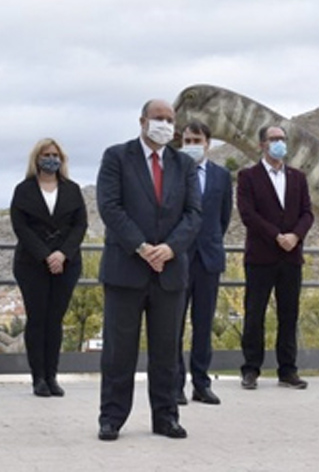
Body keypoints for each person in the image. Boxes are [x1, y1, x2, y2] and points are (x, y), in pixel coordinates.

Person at [96, 99, 202, 441]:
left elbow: (193, 214)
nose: (165, 124)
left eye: (170, 119)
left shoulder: (183, 164)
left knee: (167, 350)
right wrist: (141, 247)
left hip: (169, 272)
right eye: (159, 118)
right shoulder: (116, 156)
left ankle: (166, 416)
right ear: (142, 121)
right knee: (118, 350)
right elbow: (109, 207)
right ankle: (111, 418)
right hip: (126, 268)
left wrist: (170, 248)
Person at [237, 125, 313, 390]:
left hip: (291, 257)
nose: (278, 143)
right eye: (273, 139)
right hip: (261, 256)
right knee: (254, 314)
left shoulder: (297, 177)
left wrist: (295, 236)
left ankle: (287, 370)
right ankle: (250, 369)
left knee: (288, 314)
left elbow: (307, 213)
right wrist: (276, 235)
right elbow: (248, 214)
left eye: (281, 138)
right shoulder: (248, 176)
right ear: (262, 144)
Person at [10, 138, 88, 398]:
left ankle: (52, 376)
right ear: (37, 159)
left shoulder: (72, 190)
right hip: (31, 264)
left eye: (55, 155)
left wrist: (62, 254)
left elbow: (80, 225)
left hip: (67, 264)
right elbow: (21, 226)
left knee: (55, 321)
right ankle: (38, 378)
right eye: (46, 155)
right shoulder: (24, 190)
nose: (51, 159)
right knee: (37, 319)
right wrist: (46, 255)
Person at [175, 120, 233, 406]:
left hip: (208, 259)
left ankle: (201, 383)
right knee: (173, 324)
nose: (192, 145)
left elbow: (223, 218)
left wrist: (209, 243)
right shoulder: (174, 172)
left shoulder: (222, 176)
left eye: (197, 140)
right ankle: (175, 384)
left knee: (203, 324)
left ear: (208, 143)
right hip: (178, 257)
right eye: (187, 140)